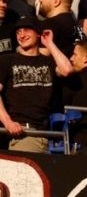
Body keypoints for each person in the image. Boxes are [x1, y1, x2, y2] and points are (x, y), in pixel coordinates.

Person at [0, 17, 73, 152]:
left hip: (45, 134)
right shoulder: (7, 60)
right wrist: (7, 122)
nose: (21, 35)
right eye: (18, 32)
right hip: (21, 133)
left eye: (26, 30)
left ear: (38, 33)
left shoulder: (48, 62)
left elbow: (67, 70)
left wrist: (50, 43)